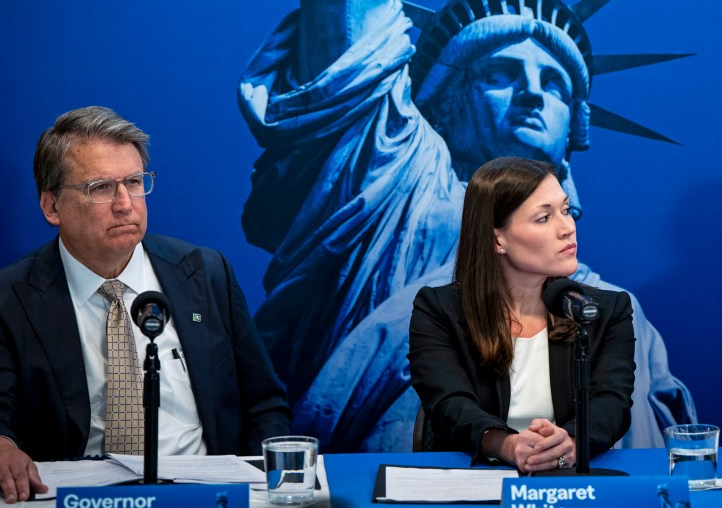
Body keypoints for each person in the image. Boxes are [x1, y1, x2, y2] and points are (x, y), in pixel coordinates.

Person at [238, 0, 694, 452]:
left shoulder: (615, 312)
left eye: (553, 83)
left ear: (574, 126)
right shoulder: (396, 181)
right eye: (501, 74)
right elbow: (350, 32)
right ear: (447, 101)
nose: (533, 94)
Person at [0, 106, 292, 503]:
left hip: (204, 493)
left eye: (134, 182)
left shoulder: (205, 273)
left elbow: (264, 403)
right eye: (99, 187)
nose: (125, 204)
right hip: (77, 496)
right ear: (51, 207)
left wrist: (263, 489)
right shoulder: (0, 301)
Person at [408, 157, 635, 472]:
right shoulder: (438, 310)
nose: (568, 228)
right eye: (544, 218)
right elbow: (450, 405)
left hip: (570, 483)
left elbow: (612, 404)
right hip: (478, 481)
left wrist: (568, 443)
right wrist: (509, 445)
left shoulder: (603, 310)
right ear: (497, 239)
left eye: (566, 211)